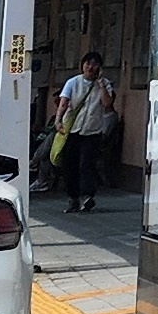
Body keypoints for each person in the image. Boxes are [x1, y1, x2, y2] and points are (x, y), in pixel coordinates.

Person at [53, 52, 118, 213]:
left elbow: (107, 104)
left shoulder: (105, 84)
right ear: (82, 65)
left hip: (93, 131)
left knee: (87, 164)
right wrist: (58, 120)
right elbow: (63, 103)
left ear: (100, 67)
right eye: (87, 63)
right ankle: (73, 197)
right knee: (71, 165)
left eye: (94, 64)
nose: (90, 67)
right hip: (72, 130)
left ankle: (87, 196)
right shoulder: (73, 82)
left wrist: (101, 84)